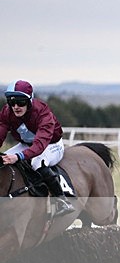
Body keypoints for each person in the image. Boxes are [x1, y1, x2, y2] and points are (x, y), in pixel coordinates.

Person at [0, 79, 74, 216]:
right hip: (26, 144)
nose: (16, 106)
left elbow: (40, 145)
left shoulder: (43, 113)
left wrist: (18, 156)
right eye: (11, 102)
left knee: (37, 162)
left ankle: (62, 200)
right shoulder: (7, 112)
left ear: (29, 101)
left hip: (51, 144)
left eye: (21, 102)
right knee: (3, 161)